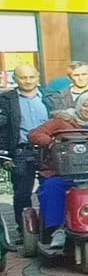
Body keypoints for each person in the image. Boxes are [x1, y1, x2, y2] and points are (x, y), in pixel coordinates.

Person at [27, 92, 88, 248]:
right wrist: (52, 143)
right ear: (78, 105)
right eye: (85, 105)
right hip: (61, 171)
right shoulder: (62, 120)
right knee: (52, 187)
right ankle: (57, 229)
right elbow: (34, 134)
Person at [0, 62, 48, 223]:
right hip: (21, 152)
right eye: (23, 77)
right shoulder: (6, 100)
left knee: (51, 189)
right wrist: (4, 156)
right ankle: (24, 229)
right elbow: (2, 130)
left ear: (38, 77)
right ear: (15, 79)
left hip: (48, 151)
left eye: (31, 77)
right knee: (22, 194)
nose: (28, 81)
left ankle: (51, 226)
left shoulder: (49, 97)